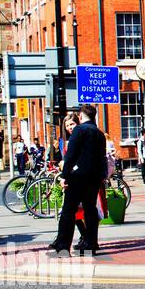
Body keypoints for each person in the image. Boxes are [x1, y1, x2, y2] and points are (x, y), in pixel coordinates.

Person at [50, 105, 106, 256]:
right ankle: (90, 244)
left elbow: (71, 156)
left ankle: (62, 246)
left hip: (77, 177)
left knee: (68, 211)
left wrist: (64, 176)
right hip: (94, 178)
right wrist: (102, 177)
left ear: (80, 117)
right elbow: (102, 158)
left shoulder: (79, 131)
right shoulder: (100, 134)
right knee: (90, 211)